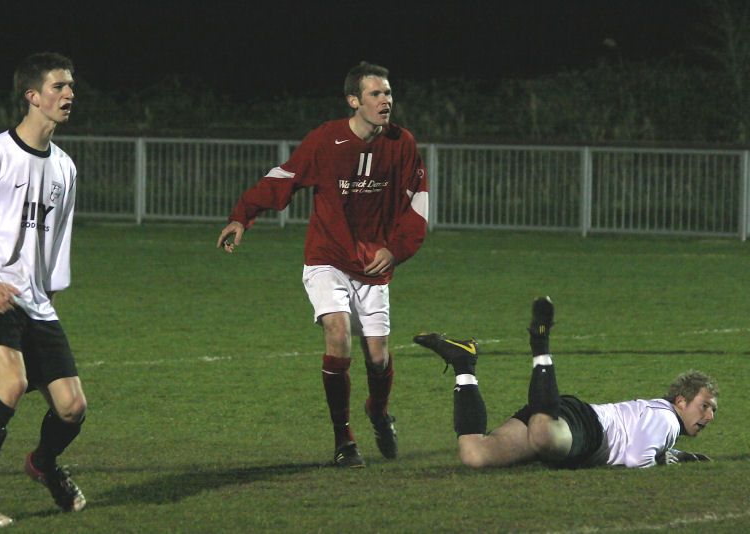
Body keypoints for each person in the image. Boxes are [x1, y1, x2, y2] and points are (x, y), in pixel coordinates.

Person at [217, 61, 429, 467]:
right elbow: (283, 179)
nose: (386, 101)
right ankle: (343, 439)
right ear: (354, 101)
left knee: (379, 356)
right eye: (375, 94)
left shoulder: (402, 144)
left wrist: (396, 249)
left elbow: (417, 204)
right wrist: (242, 215)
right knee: (337, 330)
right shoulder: (325, 141)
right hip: (327, 257)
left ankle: (379, 414)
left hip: (374, 264)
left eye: (388, 93)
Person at [0, 52, 86, 528]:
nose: (68, 94)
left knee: (72, 408)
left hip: (34, 303)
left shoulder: (65, 169)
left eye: (70, 86)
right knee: (10, 384)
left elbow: (57, 243)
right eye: (58, 86)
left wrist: (46, 296)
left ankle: (43, 465)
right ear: (32, 96)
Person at [413, 297, 718, 470]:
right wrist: (668, 460)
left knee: (474, 454)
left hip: (566, 417)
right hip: (586, 427)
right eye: (704, 406)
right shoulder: (668, 420)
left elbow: (646, 446)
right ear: (680, 401)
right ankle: (540, 344)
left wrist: (671, 453)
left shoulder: (660, 418)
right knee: (543, 434)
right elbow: (637, 458)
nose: (709, 416)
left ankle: (464, 364)